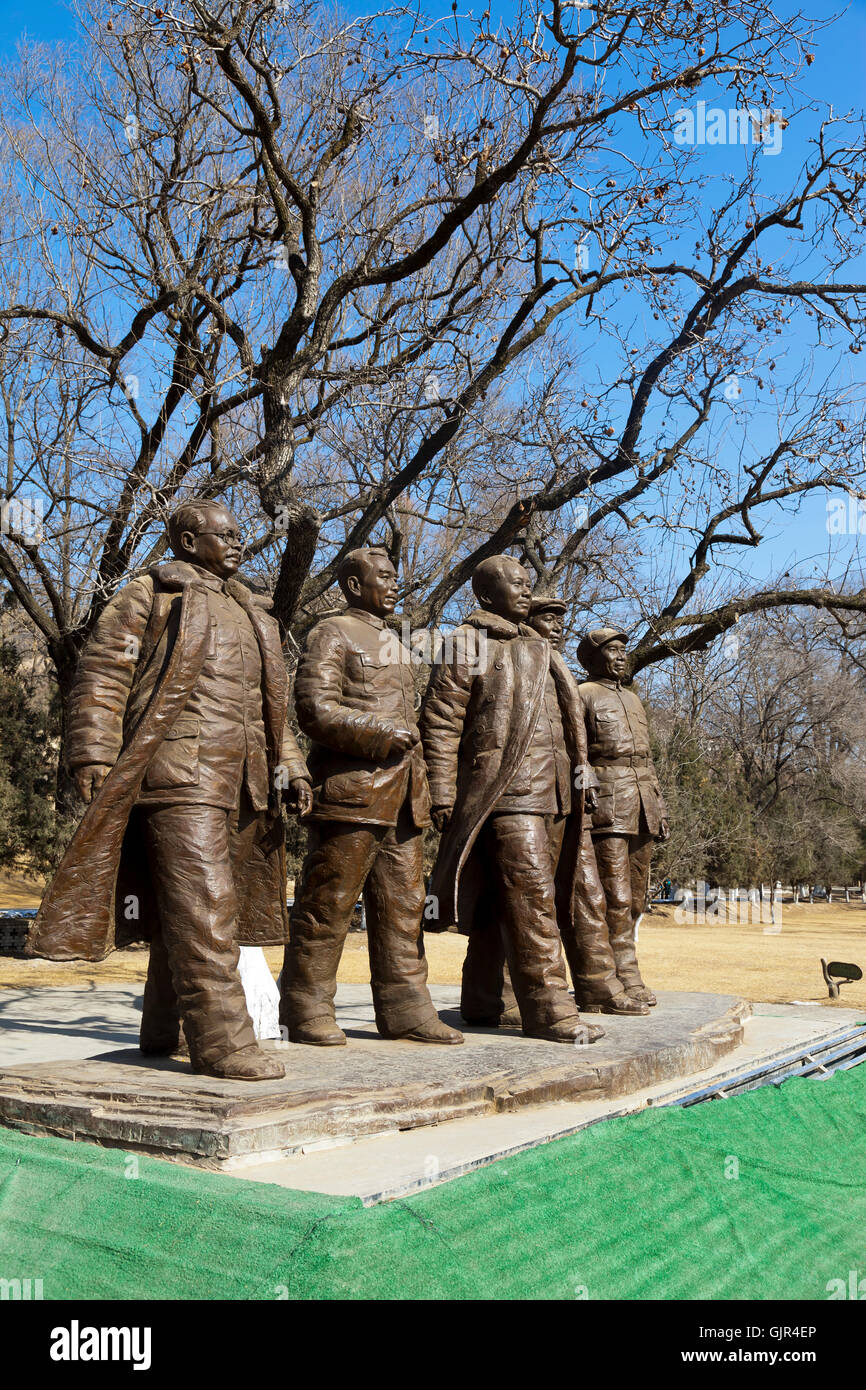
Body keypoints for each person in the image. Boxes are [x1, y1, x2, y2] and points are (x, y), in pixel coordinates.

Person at [29, 501, 312, 1080]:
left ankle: (165, 1026)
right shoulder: (151, 594)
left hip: (244, 777)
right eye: (225, 535)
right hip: (178, 769)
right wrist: (91, 749)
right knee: (205, 904)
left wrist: (292, 767)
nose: (239, 543)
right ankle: (223, 1041)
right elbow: (106, 669)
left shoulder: (253, 614)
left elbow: (271, 708)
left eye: (241, 534)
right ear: (187, 541)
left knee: (189, 904)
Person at [280, 545, 463, 1047]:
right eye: (383, 576)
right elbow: (314, 709)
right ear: (354, 585)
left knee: (404, 908)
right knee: (328, 904)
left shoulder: (397, 644)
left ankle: (406, 1008)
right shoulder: (331, 632)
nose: (395, 583)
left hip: (405, 798)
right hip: (352, 793)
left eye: (395, 575)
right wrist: (380, 734)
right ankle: (305, 1007)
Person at [420, 557, 604, 1044]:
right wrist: (441, 790)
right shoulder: (466, 643)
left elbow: (569, 726)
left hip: (555, 792)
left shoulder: (539, 647)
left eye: (528, 583)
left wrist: (581, 782)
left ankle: (485, 1000)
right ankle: (551, 1009)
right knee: (533, 902)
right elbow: (440, 719)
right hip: (505, 791)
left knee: (499, 903)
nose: (526, 591)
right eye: (515, 584)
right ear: (485, 596)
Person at [574, 627, 670, 1010]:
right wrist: (585, 793)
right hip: (607, 803)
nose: (620, 656)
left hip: (642, 801)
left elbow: (646, 758)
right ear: (592, 657)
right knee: (612, 895)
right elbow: (576, 753)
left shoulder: (632, 699)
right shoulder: (583, 695)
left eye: (622, 650)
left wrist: (658, 807)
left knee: (635, 895)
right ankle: (614, 979)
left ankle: (627, 972)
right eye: (612, 650)